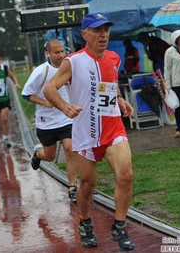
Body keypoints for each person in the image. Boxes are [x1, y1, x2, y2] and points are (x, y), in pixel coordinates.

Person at [44, 13, 135, 251]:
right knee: (87, 184)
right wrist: (64, 106)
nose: (103, 34)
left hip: (113, 127)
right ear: (85, 34)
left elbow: (108, 84)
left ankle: (120, 226)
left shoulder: (114, 58)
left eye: (106, 30)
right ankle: (85, 223)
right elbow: (49, 88)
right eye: (97, 30)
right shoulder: (73, 61)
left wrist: (120, 99)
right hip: (86, 132)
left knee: (125, 174)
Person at [21, 39, 78, 202]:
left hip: (66, 118)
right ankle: (38, 154)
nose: (61, 55)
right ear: (48, 54)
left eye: (62, 51)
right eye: (57, 52)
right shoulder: (41, 71)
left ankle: (72, 187)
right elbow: (26, 93)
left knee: (70, 149)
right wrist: (44, 102)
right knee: (50, 156)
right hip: (46, 121)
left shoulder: (70, 68)